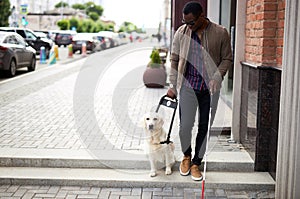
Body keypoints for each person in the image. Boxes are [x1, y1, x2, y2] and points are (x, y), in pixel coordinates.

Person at [166, 1, 232, 181]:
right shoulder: (181, 32)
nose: (188, 26)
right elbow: (174, 59)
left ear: (202, 16)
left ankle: (197, 162)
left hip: (209, 90)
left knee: (204, 127)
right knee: (185, 126)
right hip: (187, 87)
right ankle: (186, 156)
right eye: (185, 22)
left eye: (191, 22)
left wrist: (217, 77)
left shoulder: (221, 32)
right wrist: (172, 85)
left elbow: (227, 58)